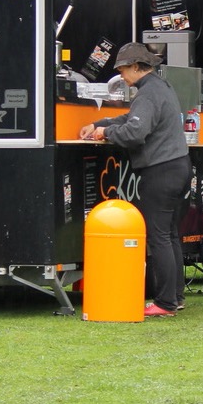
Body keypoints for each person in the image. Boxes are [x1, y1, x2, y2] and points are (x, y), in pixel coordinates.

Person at [79, 42, 190, 318]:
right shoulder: (160, 87)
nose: (122, 76)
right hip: (178, 166)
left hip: (160, 170)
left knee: (159, 237)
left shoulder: (147, 93)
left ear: (137, 67)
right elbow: (132, 119)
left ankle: (164, 303)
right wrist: (102, 123)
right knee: (170, 235)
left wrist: (105, 135)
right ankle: (175, 296)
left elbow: (135, 133)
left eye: (123, 70)